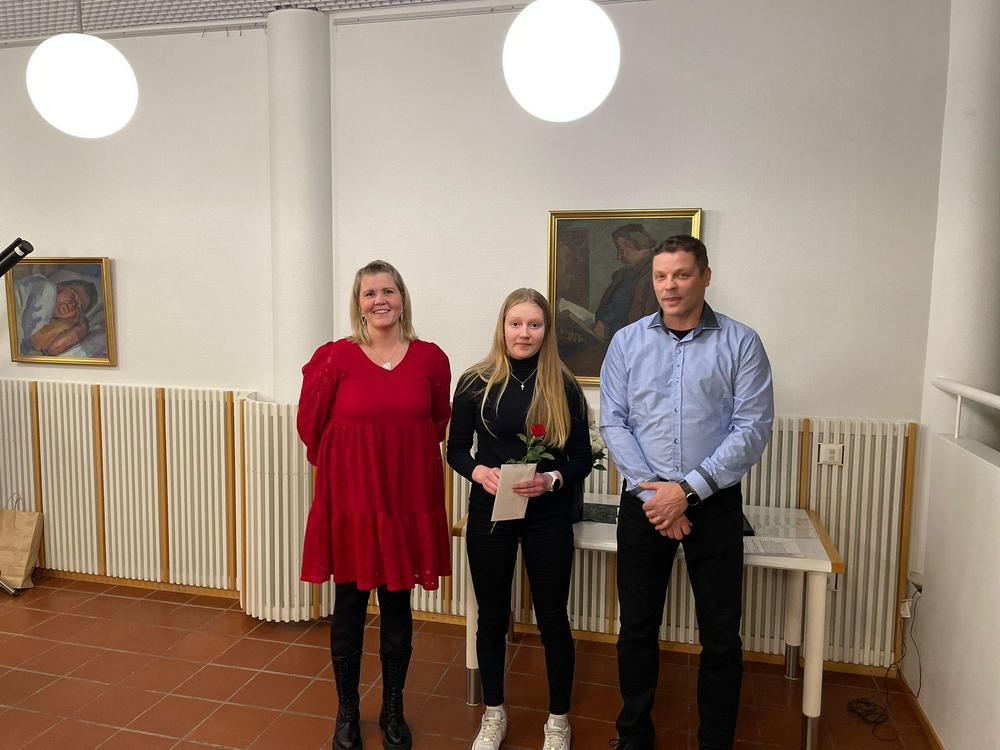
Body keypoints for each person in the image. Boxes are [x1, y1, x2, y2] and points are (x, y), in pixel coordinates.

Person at [599, 235, 774, 750]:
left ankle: (715, 741)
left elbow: (752, 428)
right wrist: (659, 496)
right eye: (660, 276)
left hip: (714, 506)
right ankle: (634, 735)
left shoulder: (742, 343)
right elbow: (613, 422)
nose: (669, 286)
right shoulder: (626, 342)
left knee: (720, 636)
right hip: (645, 504)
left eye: (681, 274)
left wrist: (688, 492)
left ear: (705, 276)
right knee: (636, 629)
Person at [297, 259, 452, 750]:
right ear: (358, 303)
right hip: (352, 503)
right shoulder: (334, 357)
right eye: (370, 293)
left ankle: (393, 708)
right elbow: (310, 425)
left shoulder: (430, 358)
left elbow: (438, 421)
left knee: (398, 606)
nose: (380, 300)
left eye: (388, 291)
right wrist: (351, 465)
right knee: (348, 606)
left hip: (407, 500)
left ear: (402, 299)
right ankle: (347, 711)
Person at [448, 288, 593, 750]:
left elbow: (581, 458)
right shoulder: (475, 382)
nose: (524, 333)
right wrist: (480, 472)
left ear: (547, 331)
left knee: (552, 618)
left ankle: (558, 721)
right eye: (516, 323)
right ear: (503, 327)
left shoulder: (563, 385)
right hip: (491, 512)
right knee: (491, 617)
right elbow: (456, 450)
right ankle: (493, 714)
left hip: (548, 516)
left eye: (534, 324)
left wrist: (552, 479)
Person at [592, 224, 659, 341]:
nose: (618, 257)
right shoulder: (623, 275)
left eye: (621, 250)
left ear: (638, 245)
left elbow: (650, 329)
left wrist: (608, 331)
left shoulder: (659, 277)